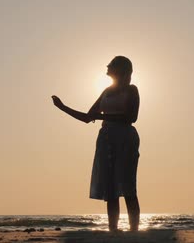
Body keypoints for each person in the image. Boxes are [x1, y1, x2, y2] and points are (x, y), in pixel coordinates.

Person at [51, 56, 140, 231]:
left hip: (125, 138)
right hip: (106, 138)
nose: (108, 66)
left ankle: (134, 230)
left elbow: (131, 117)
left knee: (128, 185)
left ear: (121, 69)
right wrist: (62, 107)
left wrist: (101, 116)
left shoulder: (131, 90)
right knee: (110, 187)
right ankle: (113, 229)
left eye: (112, 64)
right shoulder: (106, 91)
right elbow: (87, 117)